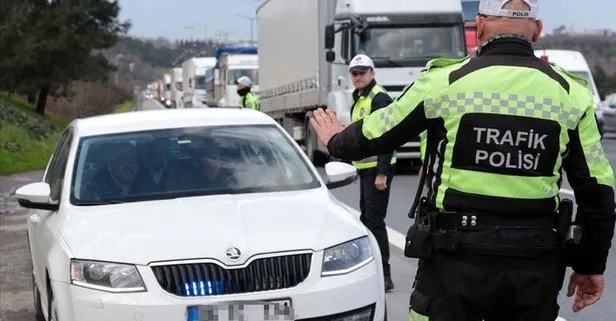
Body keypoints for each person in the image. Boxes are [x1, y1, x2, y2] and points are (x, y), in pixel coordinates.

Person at [310, 0, 615, 320]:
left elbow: (378, 133)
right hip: (533, 267)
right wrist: (590, 265)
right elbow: (599, 192)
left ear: (479, 27)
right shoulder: (572, 94)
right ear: (537, 30)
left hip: (453, 260)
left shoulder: (445, 82)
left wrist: (336, 141)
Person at [346, 54, 397, 291]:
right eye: (355, 73)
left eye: (362, 73)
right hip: (366, 169)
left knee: (375, 222)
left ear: (372, 73)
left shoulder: (379, 98)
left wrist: (382, 174)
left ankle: (384, 275)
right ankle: (373, 270)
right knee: (367, 220)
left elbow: (387, 138)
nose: (358, 77)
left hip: (378, 169)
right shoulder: (359, 98)